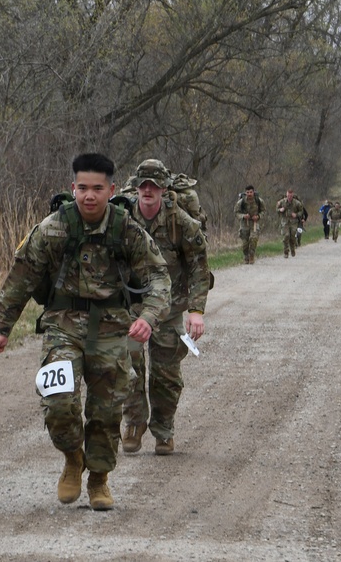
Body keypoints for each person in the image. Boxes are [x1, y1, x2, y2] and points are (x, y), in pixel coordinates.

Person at [0, 153, 171, 511]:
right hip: (63, 325)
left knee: (106, 412)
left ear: (112, 190)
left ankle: (99, 479)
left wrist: (148, 317)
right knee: (59, 400)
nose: (89, 196)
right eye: (83, 188)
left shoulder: (126, 229)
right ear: (73, 188)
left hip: (112, 328)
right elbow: (21, 278)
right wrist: (2, 327)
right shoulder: (53, 227)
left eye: (98, 189)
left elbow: (159, 279)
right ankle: (73, 458)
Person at [120, 159, 209, 458]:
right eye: (143, 185)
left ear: (163, 189)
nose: (148, 191)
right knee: (128, 367)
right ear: (136, 187)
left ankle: (164, 429)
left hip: (169, 308)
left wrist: (196, 310)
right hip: (132, 307)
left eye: (154, 186)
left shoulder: (179, 220)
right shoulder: (121, 214)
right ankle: (133, 424)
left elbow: (198, 263)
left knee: (166, 375)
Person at [234, 185, 265, 264]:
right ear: (245, 193)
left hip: (254, 223)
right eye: (247, 192)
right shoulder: (241, 202)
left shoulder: (259, 201)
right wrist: (243, 216)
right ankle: (246, 256)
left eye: (251, 192)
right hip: (244, 224)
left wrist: (258, 216)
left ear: (253, 192)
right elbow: (236, 213)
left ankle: (251, 255)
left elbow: (263, 211)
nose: (249, 194)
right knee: (245, 243)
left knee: (253, 239)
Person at [276, 189, 305, 258]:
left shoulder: (297, 203)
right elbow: (277, 209)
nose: (289, 197)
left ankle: (292, 248)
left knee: (292, 236)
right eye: (288, 195)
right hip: (284, 222)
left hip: (293, 222)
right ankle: (286, 252)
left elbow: (301, 211)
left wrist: (296, 214)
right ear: (286, 195)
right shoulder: (282, 202)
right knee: (286, 236)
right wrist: (280, 210)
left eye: (291, 195)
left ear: (292, 195)